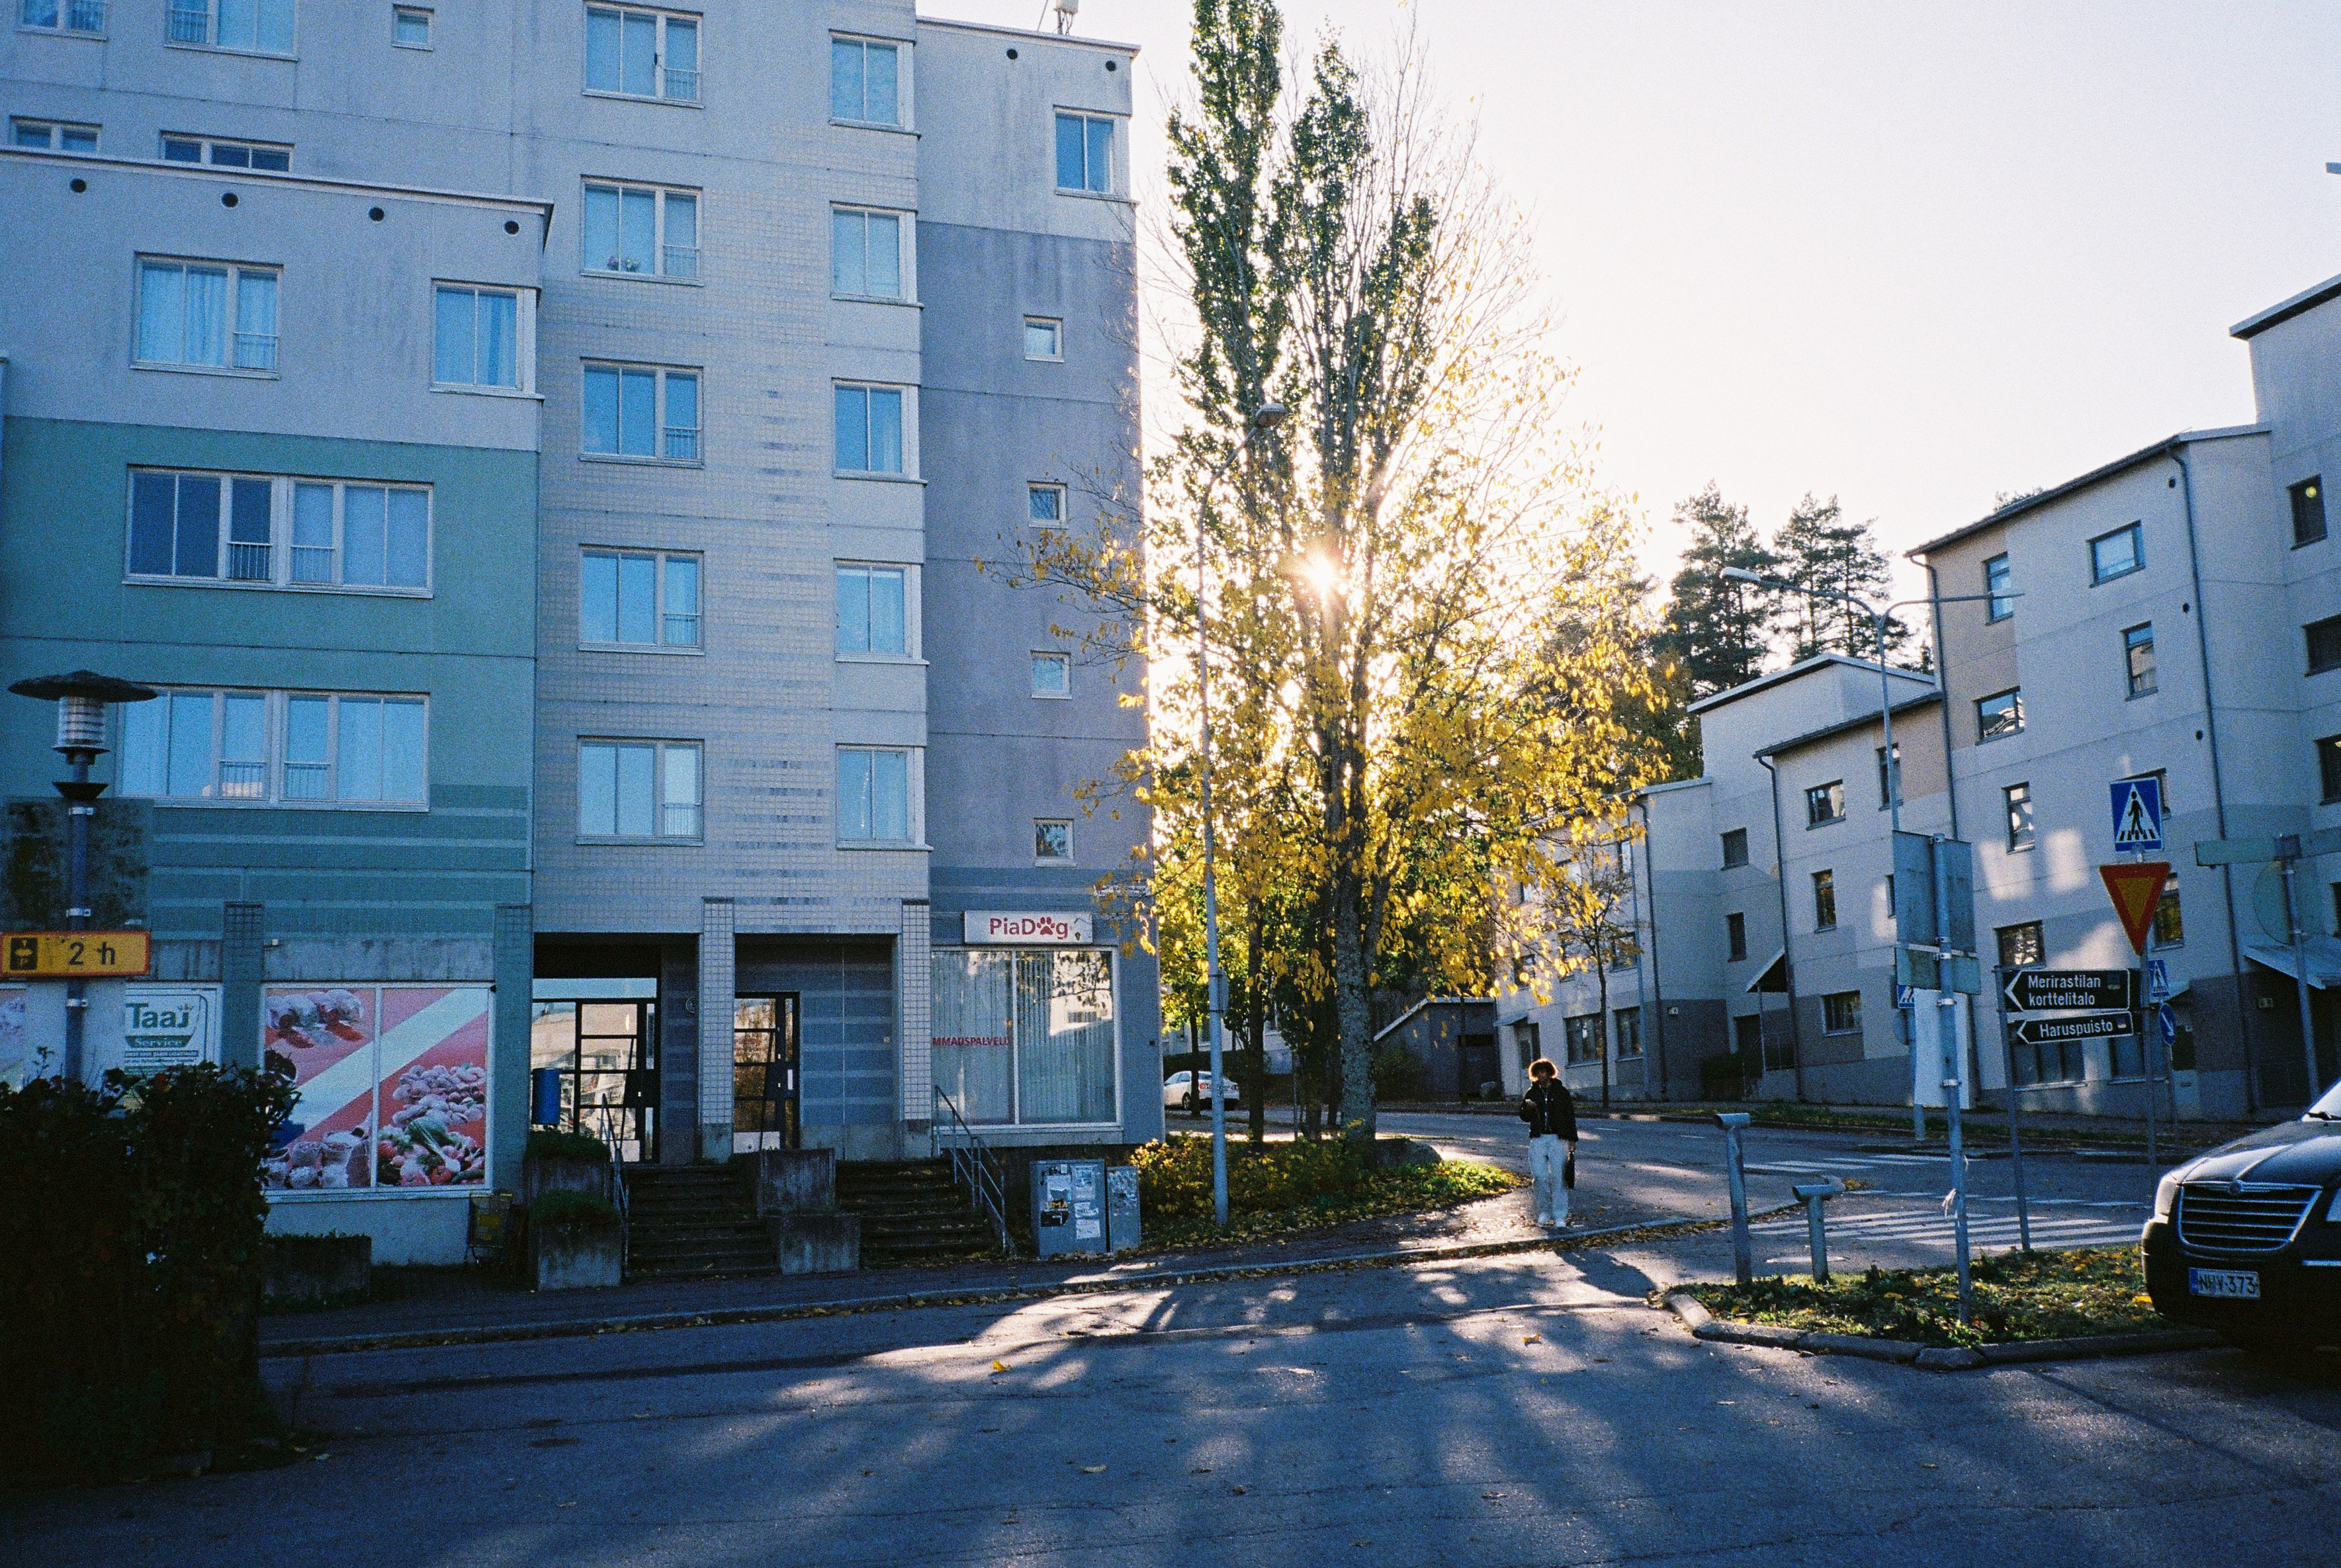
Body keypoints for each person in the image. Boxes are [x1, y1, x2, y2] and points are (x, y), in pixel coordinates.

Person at [1518, 1057, 1579, 1228]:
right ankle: (1545, 1210)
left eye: (1544, 1072)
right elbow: (1524, 1117)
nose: (1542, 1075)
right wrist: (1527, 1107)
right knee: (1539, 1176)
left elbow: (1570, 1116)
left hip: (1558, 1139)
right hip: (1538, 1138)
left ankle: (1560, 1216)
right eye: (1538, 1073)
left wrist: (1572, 1139)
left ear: (1550, 1073)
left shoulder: (1561, 1092)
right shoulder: (1532, 1092)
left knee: (1559, 1178)